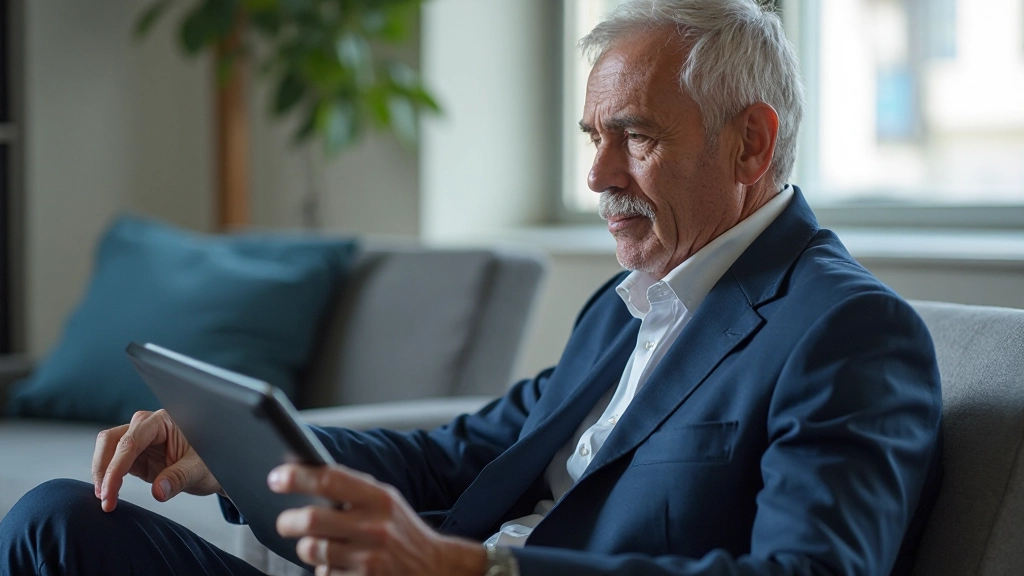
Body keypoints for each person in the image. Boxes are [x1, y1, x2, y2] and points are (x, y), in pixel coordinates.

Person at [0, 1, 942, 575]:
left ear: (751, 142)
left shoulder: (846, 334)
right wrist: (243, 447)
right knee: (57, 521)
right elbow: (460, 455)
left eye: (637, 137)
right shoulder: (627, 311)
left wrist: (474, 571)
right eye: (592, 137)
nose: (598, 176)